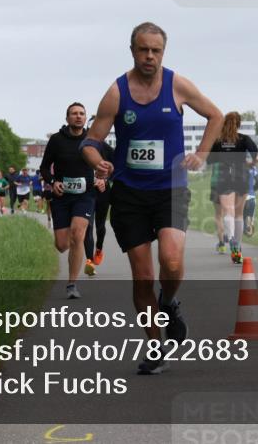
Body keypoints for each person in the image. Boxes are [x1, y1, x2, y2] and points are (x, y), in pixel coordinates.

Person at [81, 22, 223, 375]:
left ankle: (169, 302)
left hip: (170, 189)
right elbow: (90, 141)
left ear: (163, 52)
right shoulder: (116, 93)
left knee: (171, 261)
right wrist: (98, 162)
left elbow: (216, 116)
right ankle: (156, 346)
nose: (149, 56)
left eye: (155, 50)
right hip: (129, 195)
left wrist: (202, 154)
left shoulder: (177, 86)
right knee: (143, 276)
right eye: (143, 49)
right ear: (132, 50)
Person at [41, 103, 101, 297]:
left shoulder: (93, 140)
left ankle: (71, 285)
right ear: (67, 118)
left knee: (77, 234)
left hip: (85, 195)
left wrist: (102, 179)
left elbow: (107, 164)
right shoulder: (57, 140)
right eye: (74, 113)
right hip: (61, 197)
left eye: (82, 113)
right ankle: (71, 244)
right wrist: (53, 182)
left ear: (85, 118)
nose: (78, 116)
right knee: (62, 245)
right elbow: (44, 167)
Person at [209, 112, 258, 264]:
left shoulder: (218, 141)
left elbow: (210, 160)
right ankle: (237, 248)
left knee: (228, 212)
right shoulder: (244, 139)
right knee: (239, 214)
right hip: (241, 176)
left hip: (224, 177)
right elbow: (255, 156)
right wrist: (251, 163)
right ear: (239, 124)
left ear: (224, 123)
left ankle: (230, 238)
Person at [83, 121, 114, 274]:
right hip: (86, 191)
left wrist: (105, 179)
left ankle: (99, 249)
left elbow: (116, 170)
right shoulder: (81, 147)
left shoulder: (107, 149)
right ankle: (89, 262)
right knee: (87, 226)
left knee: (100, 226)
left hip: (103, 192)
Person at [209, 161, 225, 253]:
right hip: (229, 185)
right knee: (229, 214)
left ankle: (222, 244)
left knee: (218, 215)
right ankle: (234, 243)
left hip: (215, 184)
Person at [243, 164, 258, 237]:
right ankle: (250, 225)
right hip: (251, 196)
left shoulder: (236, 166)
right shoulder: (252, 167)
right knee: (250, 215)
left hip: (240, 197)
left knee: (238, 219)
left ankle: (244, 228)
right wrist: (253, 189)